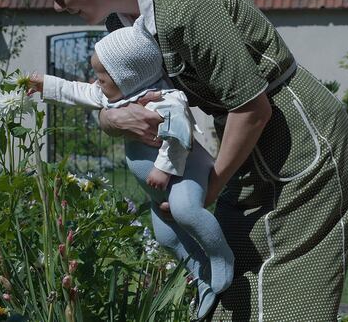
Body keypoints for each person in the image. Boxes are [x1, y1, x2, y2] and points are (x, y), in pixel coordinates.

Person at [31, 0, 348, 321]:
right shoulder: (121, 22)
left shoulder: (186, 6)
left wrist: (210, 189)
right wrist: (110, 121)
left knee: (286, 297)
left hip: (299, 139)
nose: (57, 4)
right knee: (230, 285)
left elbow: (252, 108)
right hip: (243, 146)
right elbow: (121, 98)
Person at [31, 23, 233, 320]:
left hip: (185, 174)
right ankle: (201, 273)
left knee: (187, 211)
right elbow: (79, 90)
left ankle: (221, 257)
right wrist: (44, 84)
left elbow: (180, 136)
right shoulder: (117, 96)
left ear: (127, 77)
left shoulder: (166, 100)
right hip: (158, 190)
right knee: (166, 238)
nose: (95, 83)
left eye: (102, 78)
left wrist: (163, 169)